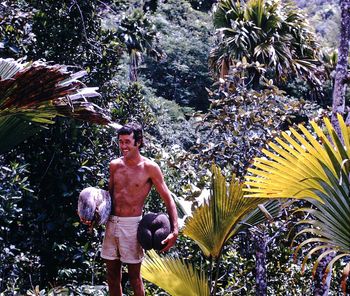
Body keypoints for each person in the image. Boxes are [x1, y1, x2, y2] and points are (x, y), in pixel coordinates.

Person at [81, 122, 178, 296]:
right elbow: (108, 197)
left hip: (132, 226)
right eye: (120, 142)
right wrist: (91, 214)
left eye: (127, 141)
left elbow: (168, 199)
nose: (123, 146)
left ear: (138, 142)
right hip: (112, 223)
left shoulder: (150, 168)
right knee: (112, 275)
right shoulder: (114, 165)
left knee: (134, 277)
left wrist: (175, 231)